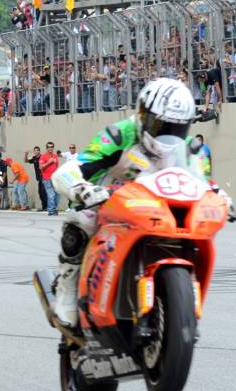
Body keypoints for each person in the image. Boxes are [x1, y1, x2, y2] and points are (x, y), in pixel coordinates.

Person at [49, 78, 214, 327]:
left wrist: (219, 197)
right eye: (161, 125)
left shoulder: (192, 150)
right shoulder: (118, 135)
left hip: (160, 210)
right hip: (110, 201)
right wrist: (81, 189)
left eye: (176, 128)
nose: (168, 134)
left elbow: (205, 185)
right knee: (81, 220)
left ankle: (177, 302)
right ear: (143, 114)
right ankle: (67, 285)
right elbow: (78, 165)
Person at [39, 142, 60, 215]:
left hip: (54, 178)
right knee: (51, 194)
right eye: (49, 147)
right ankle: (51, 211)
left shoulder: (55, 156)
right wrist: (49, 162)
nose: (50, 148)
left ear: (53, 147)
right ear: (46, 148)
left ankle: (53, 208)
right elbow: (41, 167)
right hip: (46, 178)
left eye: (51, 146)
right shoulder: (43, 156)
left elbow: (56, 166)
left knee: (58, 194)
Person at [25, 146, 46, 211]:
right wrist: (26, 154)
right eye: (35, 150)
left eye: (37, 150)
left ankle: (46, 206)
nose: (36, 151)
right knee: (40, 192)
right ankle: (44, 206)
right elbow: (26, 161)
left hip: (44, 177)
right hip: (39, 178)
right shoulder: (33, 158)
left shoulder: (42, 157)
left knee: (43, 192)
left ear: (39, 151)